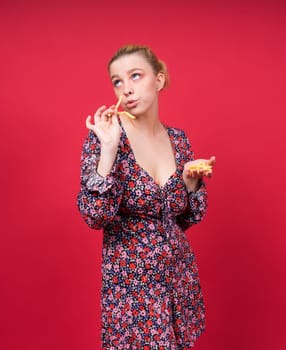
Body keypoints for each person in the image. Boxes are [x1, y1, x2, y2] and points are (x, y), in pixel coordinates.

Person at [77, 44, 216, 349]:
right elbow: (94, 214)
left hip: (177, 282)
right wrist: (110, 150)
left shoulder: (178, 140)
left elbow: (187, 218)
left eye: (135, 76)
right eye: (117, 81)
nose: (126, 89)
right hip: (132, 293)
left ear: (159, 79)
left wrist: (190, 182)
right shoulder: (107, 135)